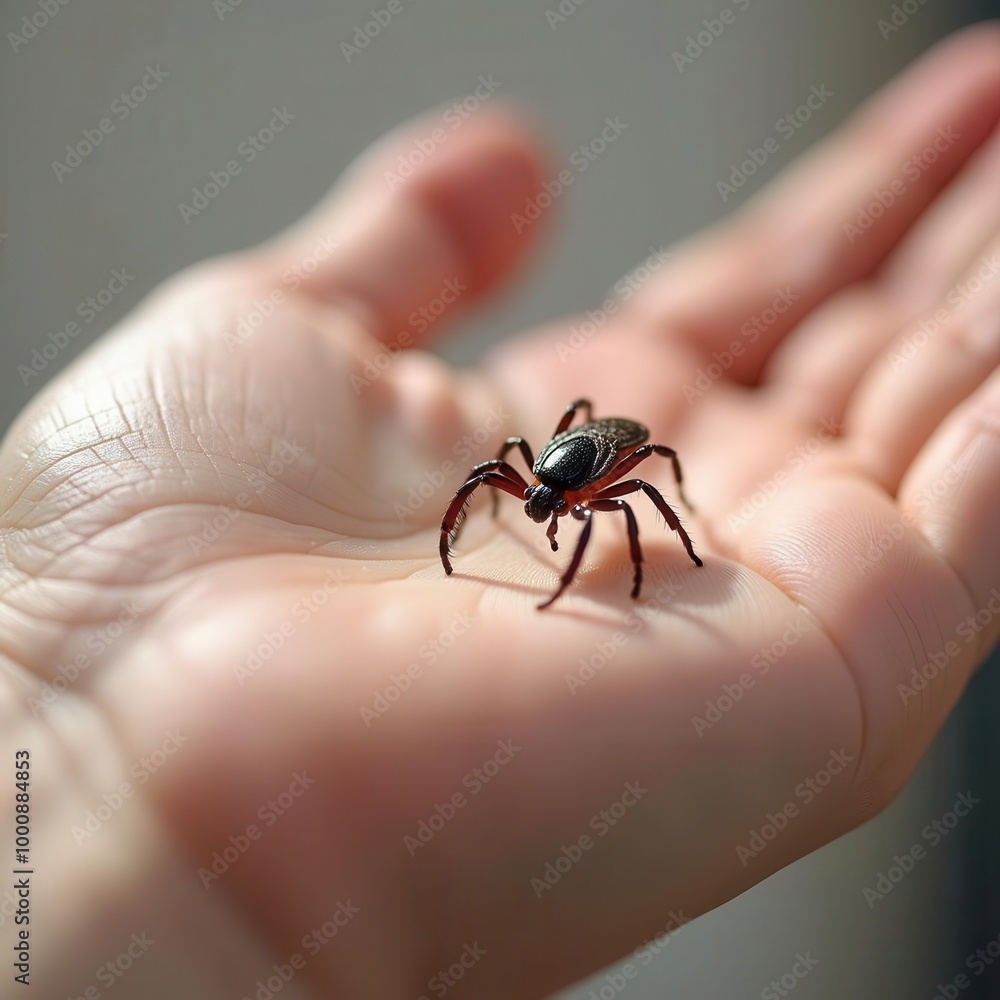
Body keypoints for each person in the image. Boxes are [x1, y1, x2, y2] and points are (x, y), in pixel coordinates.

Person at [4, 22, 999, 1000]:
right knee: (535, 472)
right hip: (587, 437)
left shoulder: (597, 480)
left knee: (643, 489)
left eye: (547, 500)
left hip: (614, 437)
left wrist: (654, 557)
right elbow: (504, 474)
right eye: (537, 496)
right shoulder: (527, 474)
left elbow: (635, 473)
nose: (540, 507)